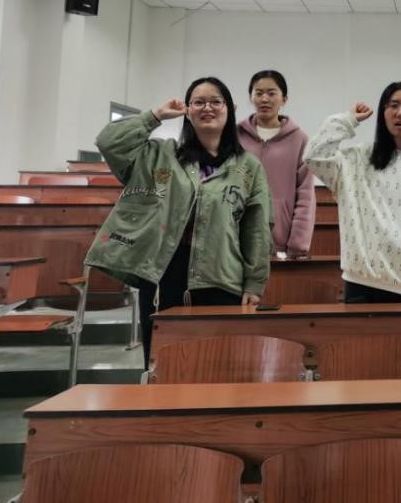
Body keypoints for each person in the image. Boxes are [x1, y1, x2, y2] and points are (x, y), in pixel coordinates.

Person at [84, 77, 272, 366]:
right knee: (163, 364)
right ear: (187, 110)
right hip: (163, 274)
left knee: (218, 364)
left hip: (222, 277)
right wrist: (155, 115)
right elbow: (108, 142)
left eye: (215, 101)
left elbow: (257, 229)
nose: (207, 108)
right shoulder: (159, 155)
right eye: (198, 102)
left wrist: (254, 283)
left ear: (229, 109)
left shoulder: (248, 167)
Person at [304, 82, 401, 304]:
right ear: (383, 113)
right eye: (393, 105)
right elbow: (313, 156)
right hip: (363, 283)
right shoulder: (359, 158)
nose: (400, 113)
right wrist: (348, 120)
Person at [237, 70, 316, 258]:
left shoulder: (299, 139)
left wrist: (298, 244)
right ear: (251, 97)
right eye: (258, 93)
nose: (264, 99)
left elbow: (306, 195)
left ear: (284, 99)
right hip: (235, 239)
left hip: (279, 244)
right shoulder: (235, 136)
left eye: (271, 93)